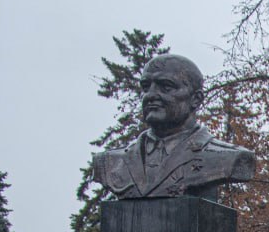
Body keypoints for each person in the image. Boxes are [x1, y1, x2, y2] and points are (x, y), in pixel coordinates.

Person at [93, 54, 255, 200]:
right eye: (146, 87)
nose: (150, 95)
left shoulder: (226, 158)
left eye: (166, 87)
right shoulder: (110, 162)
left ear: (196, 99)